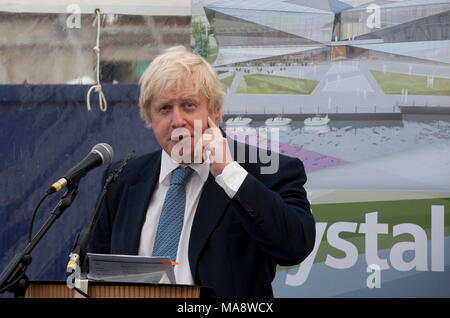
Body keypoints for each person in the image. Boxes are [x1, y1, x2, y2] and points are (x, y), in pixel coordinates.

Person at [89, 46, 315, 297]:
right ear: (149, 118)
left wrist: (229, 173)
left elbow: (296, 247)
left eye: (188, 105)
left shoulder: (266, 170)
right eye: (164, 108)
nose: (177, 120)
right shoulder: (122, 179)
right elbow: (94, 270)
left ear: (214, 111)